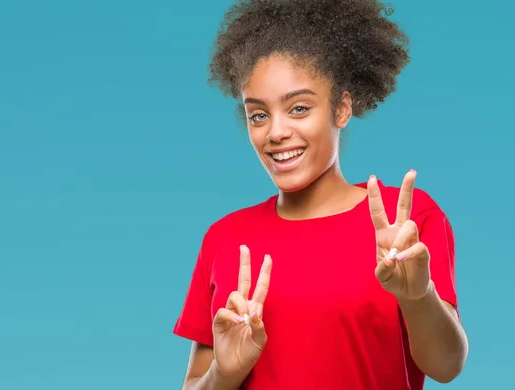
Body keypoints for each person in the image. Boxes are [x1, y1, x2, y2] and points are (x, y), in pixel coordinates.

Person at [172, 0, 469, 389]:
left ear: (342, 108)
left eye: (298, 108)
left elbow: (447, 367)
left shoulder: (405, 221)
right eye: (258, 114)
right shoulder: (225, 238)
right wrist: (225, 373)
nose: (275, 132)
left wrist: (417, 297)